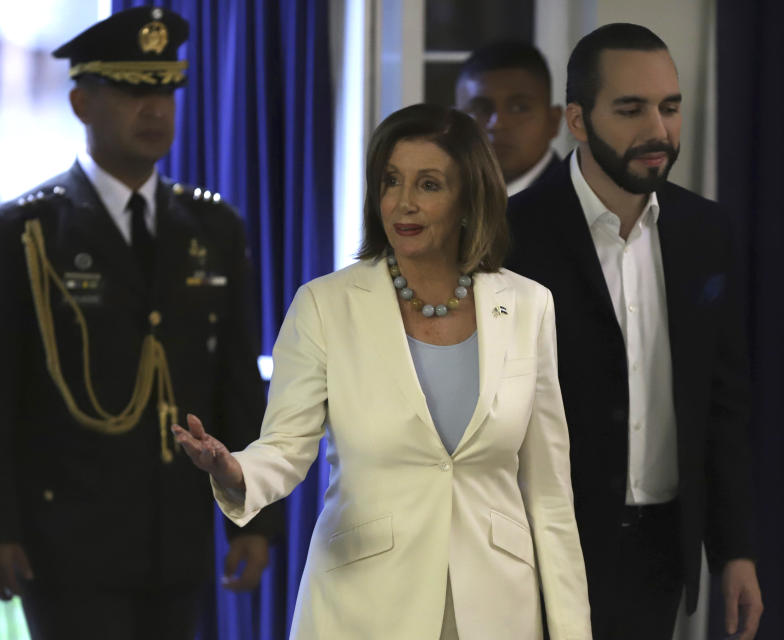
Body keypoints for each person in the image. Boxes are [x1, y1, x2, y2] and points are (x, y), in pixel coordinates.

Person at [172, 103, 592, 640]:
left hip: (497, 608)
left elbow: (550, 495)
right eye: (391, 181)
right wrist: (232, 470)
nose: (404, 202)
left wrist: (573, 630)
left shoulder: (529, 306)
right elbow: (284, 446)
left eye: (430, 184)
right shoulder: (324, 304)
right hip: (362, 605)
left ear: (469, 199)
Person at [0, 7, 279, 639]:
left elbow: (237, 380)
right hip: (65, 540)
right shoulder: (26, 233)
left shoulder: (212, 227)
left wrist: (255, 520)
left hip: (176, 537)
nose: (154, 110)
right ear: (80, 102)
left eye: (164, 92)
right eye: (131, 91)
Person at [506, 23, 763, 640]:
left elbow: (723, 404)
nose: (659, 130)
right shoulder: (512, 235)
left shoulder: (706, 232)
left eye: (669, 107)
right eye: (631, 109)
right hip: (538, 545)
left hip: (661, 549)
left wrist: (734, 551)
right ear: (576, 119)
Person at [456, 41, 563, 197]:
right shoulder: (442, 201)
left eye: (519, 108)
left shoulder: (582, 208)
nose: (497, 124)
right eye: (481, 109)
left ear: (553, 121)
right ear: (455, 124)